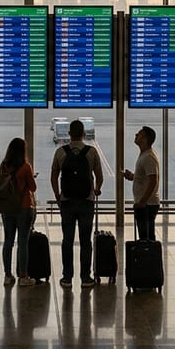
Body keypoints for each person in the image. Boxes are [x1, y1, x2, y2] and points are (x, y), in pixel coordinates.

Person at [51, 119, 103, 288]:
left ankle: (67, 277)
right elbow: (99, 176)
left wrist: (58, 196)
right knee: (85, 241)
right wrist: (96, 189)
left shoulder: (60, 152)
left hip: (67, 202)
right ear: (83, 133)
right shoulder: (92, 152)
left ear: (69, 133)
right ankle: (85, 277)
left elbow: (53, 176)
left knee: (67, 240)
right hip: (86, 202)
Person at [0, 137, 38, 287]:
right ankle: (23, 276)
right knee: (23, 243)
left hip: (7, 208)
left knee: (8, 241)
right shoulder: (26, 167)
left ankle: (8, 275)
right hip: (24, 207)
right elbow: (33, 188)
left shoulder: (4, 166)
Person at [122, 125, 160, 242]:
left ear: (145, 139)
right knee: (145, 237)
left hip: (146, 204)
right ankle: (148, 259)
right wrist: (133, 176)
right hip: (145, 203)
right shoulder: (145, 155)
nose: (136, 135)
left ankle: (149, 260)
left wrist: (142, 201)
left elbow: (153, 180)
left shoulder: (148, 157)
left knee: (146, 239)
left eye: (139, 134)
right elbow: (147, 178)